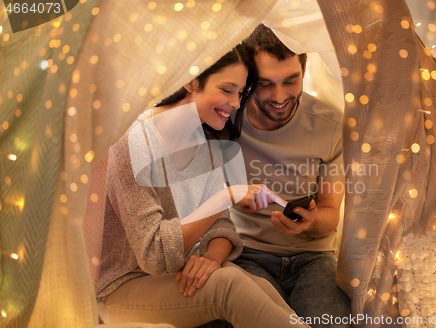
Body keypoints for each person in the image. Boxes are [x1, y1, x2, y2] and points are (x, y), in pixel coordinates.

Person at [96, 44, 310, 328]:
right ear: (191, 81)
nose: (236, 102)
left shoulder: (205, 143)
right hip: (122, 287)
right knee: (229, 286)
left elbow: (221, 227)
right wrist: (226, 196)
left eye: (240, 92)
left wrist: (212, 257)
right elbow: (154, 253)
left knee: (260, 287)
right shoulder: (133, 141)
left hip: (177, 272)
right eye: (226, 89)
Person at [230, 25, 351, 327]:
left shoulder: (330, 125)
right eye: (265, 84)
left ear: (304, 71)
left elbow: (330, 213)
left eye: (290, 80)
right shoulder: (225, 118)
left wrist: (309, 224)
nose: (280, 96)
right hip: (246, 254)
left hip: (314, 257)